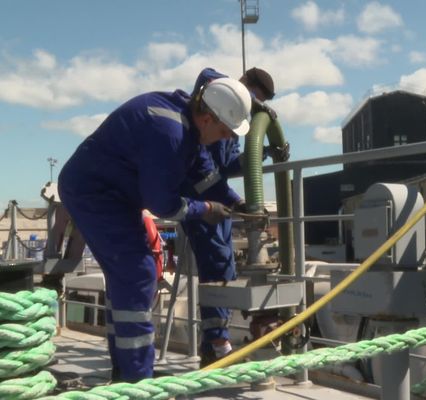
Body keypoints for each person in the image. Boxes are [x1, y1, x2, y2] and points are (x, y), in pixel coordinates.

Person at [58, 76, 252, 382]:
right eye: (224, 131)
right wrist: (205, 210)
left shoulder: (188, 126)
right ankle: (137, 379)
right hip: (93, 193)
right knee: (137, 274)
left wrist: (236, 202)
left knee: (128, 278)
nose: (224, 138)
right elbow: (163, 204)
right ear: (207, 118)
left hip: (115, 195)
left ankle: (127, 370)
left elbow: (205, 176)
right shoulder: (170, 132)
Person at [181, 67, 281, 367]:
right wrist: (250, 99)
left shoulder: (238, 121)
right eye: (252, 97)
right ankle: (217, 344)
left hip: (218, 195)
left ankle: (215, 341)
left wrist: (261, 151)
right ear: (243, 85)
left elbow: (226, 164)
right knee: (217, 263)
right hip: (200, 194)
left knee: (224, 264)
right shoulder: (214, 93)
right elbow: (206, 74)